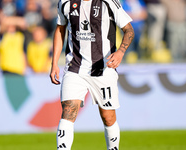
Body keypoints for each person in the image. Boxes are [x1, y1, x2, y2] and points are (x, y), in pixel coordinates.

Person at [50, 0, 134, 149]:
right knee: (68, 111)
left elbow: (129, 30)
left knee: (108, 117)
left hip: (103, 68)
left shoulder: (108, 2)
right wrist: (54, 63)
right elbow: (60, 29)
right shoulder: (65, 2)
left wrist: (120, 52)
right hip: (75, 67)